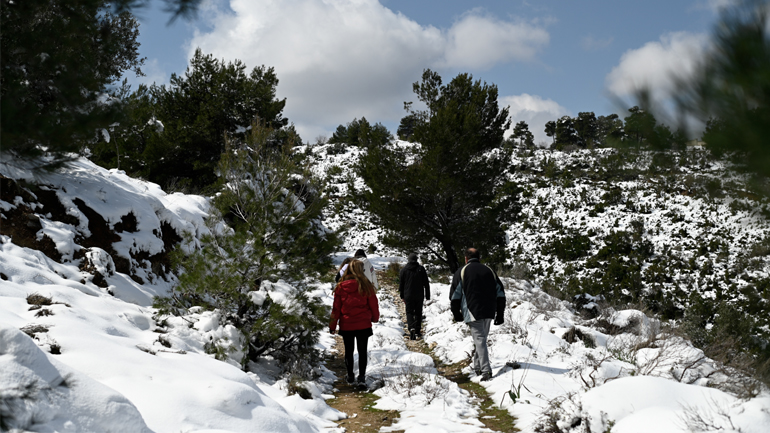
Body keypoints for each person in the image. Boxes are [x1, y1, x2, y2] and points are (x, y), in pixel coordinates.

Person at [449, 248, 505, 381]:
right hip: (490, 310)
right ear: (479, 258)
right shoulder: (489, 270)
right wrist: (500, 313)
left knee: (479, 340)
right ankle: (477, 367)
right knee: (481, 340)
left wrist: (456, 313)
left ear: (466, 259)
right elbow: (500, 293)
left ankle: (486, 370)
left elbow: (454, 295)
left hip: (472, 310)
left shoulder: (462, 271)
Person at [329, 259, 380, 388]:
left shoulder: (340, 287)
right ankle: (361, 377)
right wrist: (375, 318)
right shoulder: (366, 285)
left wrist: (332, 325)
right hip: (363, 324)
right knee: (362, 351)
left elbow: (336, 308)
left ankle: (350, 375)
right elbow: (374, 305)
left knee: (349, 351)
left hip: (347, 325)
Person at [399, 253, 430, 340]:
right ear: (416, 260)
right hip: (419, 294)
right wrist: (427, 295)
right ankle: (417, 330)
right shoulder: (421, 269)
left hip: (408, 294)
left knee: (409, 312)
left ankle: (411, 327)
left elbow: (401, 284)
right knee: (418, 312)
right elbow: (426, 283)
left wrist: (402, 295)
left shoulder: (404, 270)